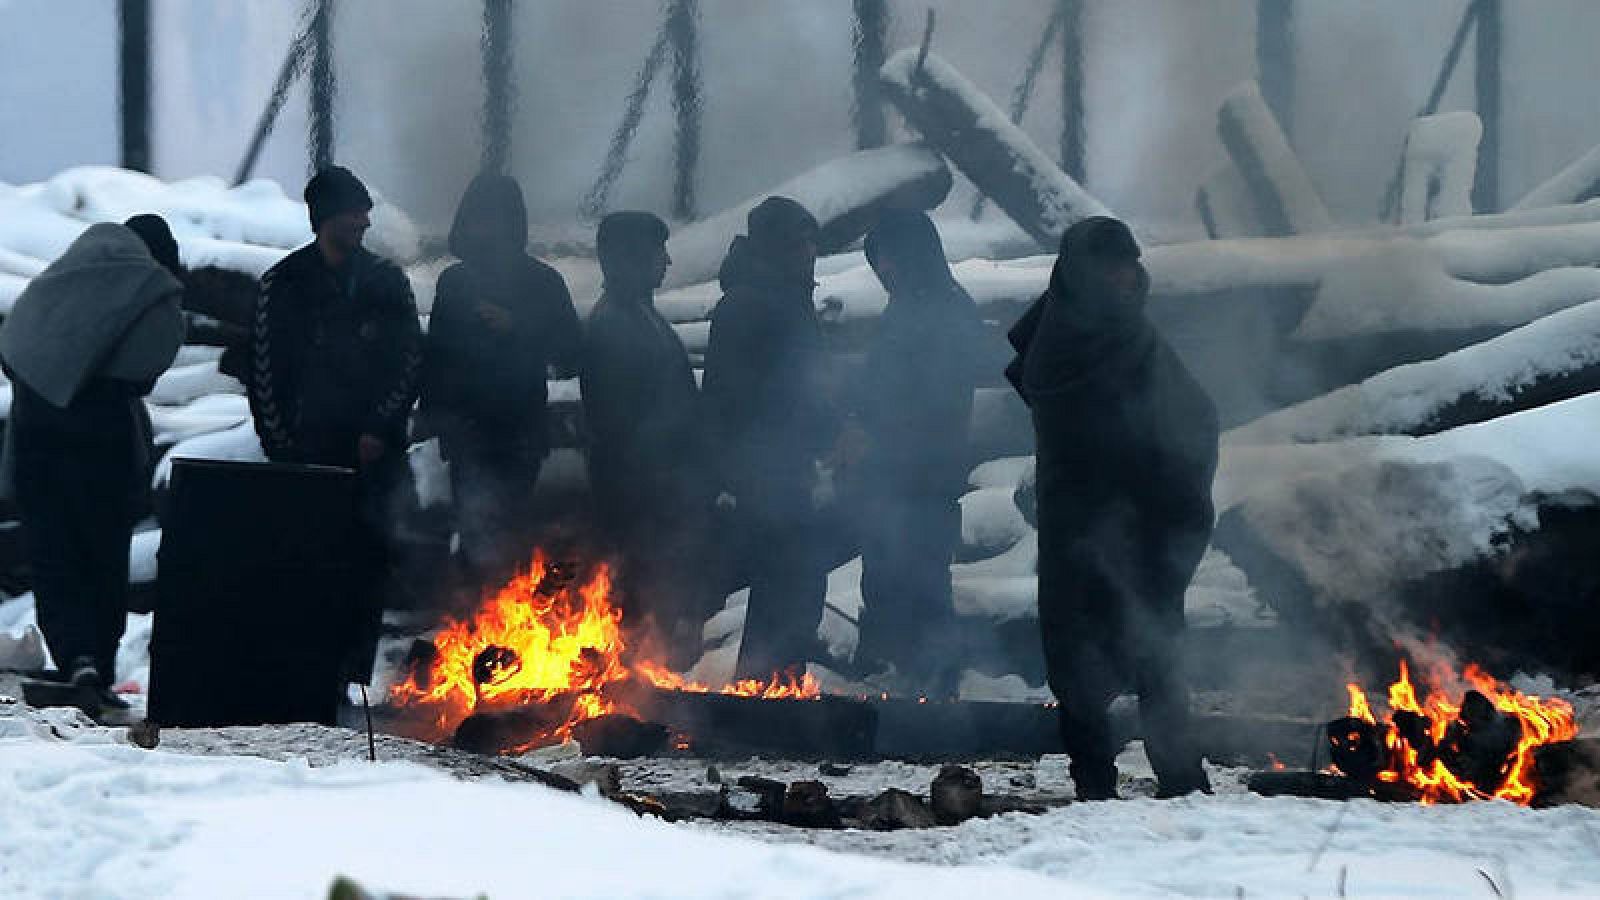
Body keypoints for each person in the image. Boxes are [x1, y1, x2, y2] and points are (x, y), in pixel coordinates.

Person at [1006, 216, 1217, 801]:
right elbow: (1095, 430)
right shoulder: (1072, 342)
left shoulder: (1118, 333)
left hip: (1134, 524)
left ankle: (1180, 778)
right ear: (1084, 274)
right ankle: (1097, 782)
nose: (1125, 280)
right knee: (1085, 656)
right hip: (1088, 526)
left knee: (1156, 652)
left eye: (1130, 267)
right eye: (1111, 269)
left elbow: (1187, 415)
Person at [0, 219, 185, 709]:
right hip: (103, 445)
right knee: (101, 554)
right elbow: (149, 363)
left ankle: (74, 656)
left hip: (37, 441)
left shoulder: (53, 288)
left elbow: (14, 353)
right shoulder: (149, 286)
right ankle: (95, 661)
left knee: (54, 553)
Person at [248, 166, 422, 681]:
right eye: (352, 212)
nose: (363, 222)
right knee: (307, 565)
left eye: (365, 212)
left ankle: (352, 677)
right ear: (325, 218)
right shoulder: (283, 285)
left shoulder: (386, 282)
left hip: (374, 457)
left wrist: (379, 427)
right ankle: (308, 673)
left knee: (368, 567)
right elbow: (265, 370)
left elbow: (409, 360)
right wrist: (282, 444)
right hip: (308, 453)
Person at [419, 173, 580, 589]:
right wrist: (441, 425)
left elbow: (570, 352)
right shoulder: (455, 283)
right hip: (468, 435)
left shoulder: (542, 282)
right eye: (479, 218)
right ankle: (473, 627)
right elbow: (436, 357)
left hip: (518, 434)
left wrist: (518, 326)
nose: (487, 228)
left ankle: (504, 623)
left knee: (508, 538)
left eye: (497, 218)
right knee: (475, 539)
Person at [701, 196, 838, 681]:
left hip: (787, 463)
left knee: (797, 578)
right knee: (784, 578)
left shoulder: (785, 294)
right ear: (777, 245)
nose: (810, 252)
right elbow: (739, 394)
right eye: (800, 242)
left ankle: (780, 680)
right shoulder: (749, 303)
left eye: (811, 241)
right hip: (765, 467)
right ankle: (762, 683)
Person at [849, 210, 985, 695]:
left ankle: (924, 680)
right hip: (908, 473)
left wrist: (868, 422)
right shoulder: (923, 303)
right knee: (901, 574)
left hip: (918, 473)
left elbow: (920, 395)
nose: (881, 270)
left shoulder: (934, 310)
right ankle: (912, 674)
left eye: (886, 258)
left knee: (915, 577)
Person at [580, 211, 710, 666]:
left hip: (657, 484)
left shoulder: (640, 315)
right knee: (637, 591)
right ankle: (630, 692)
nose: (667, 262)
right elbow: (620, 420)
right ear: (630, 258)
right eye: (658, 252)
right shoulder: (614, 324)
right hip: (638, 489)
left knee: (653, 590)